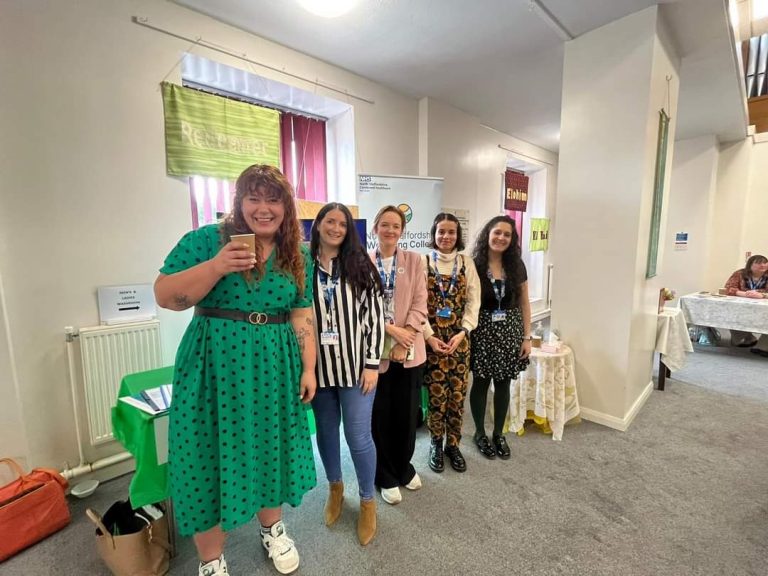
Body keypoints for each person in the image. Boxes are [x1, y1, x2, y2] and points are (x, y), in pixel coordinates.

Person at [154, 165, 317, 576]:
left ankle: (273, 529)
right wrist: (216, 266)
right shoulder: (206, 240)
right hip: (214, 367)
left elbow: (301, 314)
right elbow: (165, 296)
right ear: (238, 202)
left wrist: (308, 368)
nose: (263, 208)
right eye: (253, 198)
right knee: (205, 454)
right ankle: (211, 560)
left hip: (275, 367)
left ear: (286, 206)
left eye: (273, 199)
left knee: (270, 445)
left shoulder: (298, 253)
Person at [309, 203, 385, 546]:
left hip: (356, 368)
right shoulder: (303, 266)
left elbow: (375, 318)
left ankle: (367, 501)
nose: (336, 228)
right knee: (326, 433)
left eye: (342, 223)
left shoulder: (360, 264)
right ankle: (335, 488)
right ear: (318, 225)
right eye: (330, 221)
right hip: (319, 368)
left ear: (348, 229)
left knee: (358, 436)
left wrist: (372, 364)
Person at [368, 205, 428, 505]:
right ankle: (384, 475)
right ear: (375, 228)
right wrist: (391, 330)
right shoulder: (363, 262)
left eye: (396, 226)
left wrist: (406, 338)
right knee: (380, 415)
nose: (390, 230)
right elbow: (360, 308)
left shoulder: (415, 261)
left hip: (409, 350)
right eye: (385, 224)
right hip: (374, 351)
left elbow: (420, 303)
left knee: (406, 414)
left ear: (402, 231)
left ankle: (403, 467)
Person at [421, 213, 480, 474]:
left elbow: (474, 302)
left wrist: (463, 331)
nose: (446, 236)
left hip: (459, 340)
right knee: (436, 396)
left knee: (457, 396)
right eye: (441, 231)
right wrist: (428, 336)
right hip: (432, 341)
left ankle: (453, 444)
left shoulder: (467, 263)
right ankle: (435, 442)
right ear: (434, 234)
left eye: (451, 232)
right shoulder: (423, 262)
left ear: (458, 235)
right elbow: (417, 303)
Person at [469, 215, 531, 461]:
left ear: (512, 239)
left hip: (511, 329)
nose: (501, 238)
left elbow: (525, 302)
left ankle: (498, 434)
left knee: (504, 383)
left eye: (507, 234)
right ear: (488, 234)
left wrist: (527, 337)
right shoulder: (474, 264)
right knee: (481, 382)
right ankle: (479, 433)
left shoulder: (517, 265)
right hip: (482, 329)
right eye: (497, 232)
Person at [723, 254, 768, 357]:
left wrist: (763, 295)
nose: (763, 265)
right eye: (758, 263)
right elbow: (728, 288)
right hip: (742, 305)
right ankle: (747, 338)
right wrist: (744, 293)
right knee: (730, 313)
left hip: (764, 306)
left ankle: (763, 345)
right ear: (750, 265)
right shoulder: (739, 274)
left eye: (765, 263)